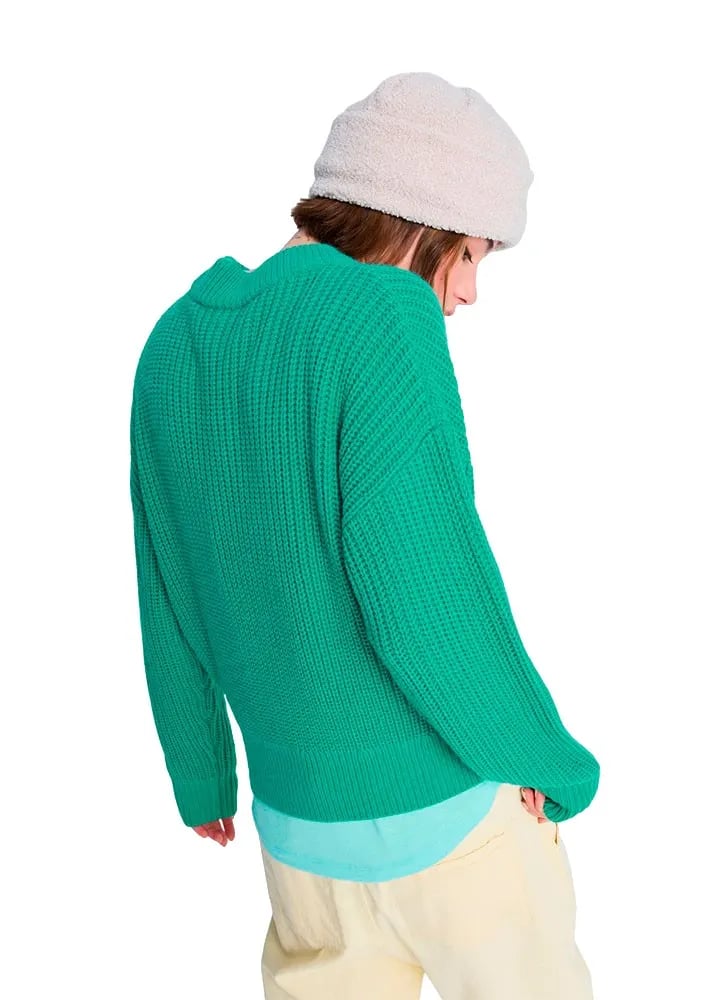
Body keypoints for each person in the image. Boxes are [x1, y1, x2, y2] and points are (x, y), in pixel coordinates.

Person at [129, 71, 600, 1000]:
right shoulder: (385, 315)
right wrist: (550, 759)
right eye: (471, 255)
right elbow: (428, 596)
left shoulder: (173, 342)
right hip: (449, 822)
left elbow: (165, 582)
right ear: (422, 223)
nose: (468, 293)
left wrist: (200, 772)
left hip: (299, 835)